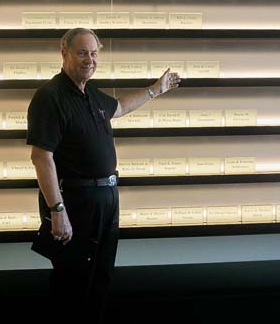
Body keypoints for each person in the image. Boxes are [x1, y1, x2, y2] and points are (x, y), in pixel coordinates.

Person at [26, 27, 181, 321]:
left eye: (94, 53)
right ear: (64, 52)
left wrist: (155, 89)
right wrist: (57, 210)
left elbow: (120, 107)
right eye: (82, 52)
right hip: (75, 202)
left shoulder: (92, 95)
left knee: (100, 280)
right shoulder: (50, 97)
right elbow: (41, 157)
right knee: (73, 284)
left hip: (106, 200)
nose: (90, 59)